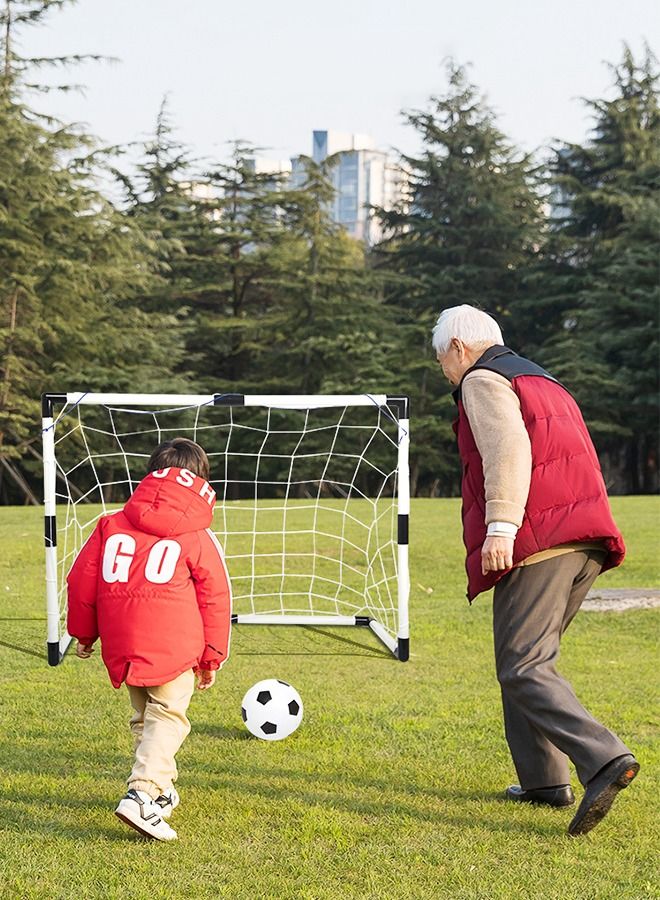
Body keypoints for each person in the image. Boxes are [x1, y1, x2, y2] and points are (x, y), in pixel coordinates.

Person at [432, 305, 639, 836]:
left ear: (458, 347)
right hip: (584, 536)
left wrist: (500, 529)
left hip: (540, 539)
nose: (442, 370)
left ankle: (605, 758)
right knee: (523, 659)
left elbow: (509, 452)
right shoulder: (543, 378)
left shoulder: (483, 378)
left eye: (440, 358)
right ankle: (544, 781)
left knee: (523, 665)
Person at [67, 437, 232, 842]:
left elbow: (81, 583)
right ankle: (141, 793)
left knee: (147, 717)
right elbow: (216, 597)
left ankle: (160, 788)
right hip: (172, 645)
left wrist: (84, 634)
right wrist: (211, 657)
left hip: (123, 644)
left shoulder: (111, 522)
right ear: (201, 480)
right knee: (169, 716)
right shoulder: (197, 534)